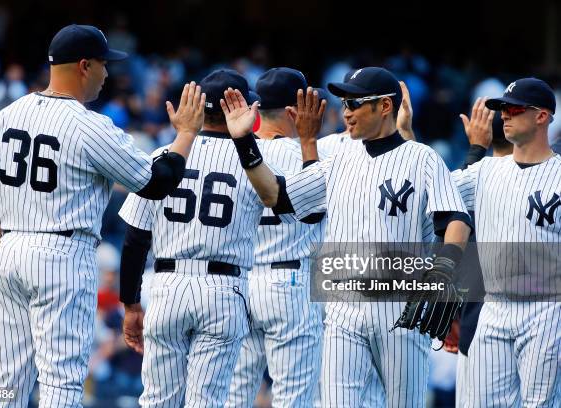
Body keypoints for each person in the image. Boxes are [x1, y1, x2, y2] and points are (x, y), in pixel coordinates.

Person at [0, 24, 204, 407]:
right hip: (61, 256)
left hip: (10, 250)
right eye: (102, 64)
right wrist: (185, 135)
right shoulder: (89, 126)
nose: (107, 73)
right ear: (83, 66)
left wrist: (13, 244)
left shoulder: (6, 115)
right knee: (61, 384)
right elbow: (155, 182)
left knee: (10, 380)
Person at [220, 66, 472, 407]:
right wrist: (244, 143)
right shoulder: (339, 158)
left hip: (400, 303)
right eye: (344, 103)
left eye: (354, 103)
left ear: (384, 106)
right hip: (343, 307)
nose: (345, 112)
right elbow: (275, 195)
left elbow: (455, 219)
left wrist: (445, 271)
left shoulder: (422, 158)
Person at [117, 68, 319, 407]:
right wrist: (309, 142)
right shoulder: (257, 159)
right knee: (208, 401)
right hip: (224, 289)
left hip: (167, 286)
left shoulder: (164, 156)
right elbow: (294, 202)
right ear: (241, 108)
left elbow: (135, 239)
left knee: (156, 400)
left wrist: (131, 303)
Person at [452, 77, 561, 407]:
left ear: (542, 116)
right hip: (494, 307)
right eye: (502, 109)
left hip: (546, 308)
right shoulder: (485, 170)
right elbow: (430, 194)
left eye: (513, 108)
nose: (505, 116)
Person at [226, 67, 326, 407]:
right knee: (294, 398)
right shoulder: (311, 156)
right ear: (295, 111)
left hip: (239, 282)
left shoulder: (233, 155)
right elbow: (313, 211)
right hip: (289, 282)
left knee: (233, 395)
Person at [442, 100, 512, 407]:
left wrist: (475, 149)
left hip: (476, 321)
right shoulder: (549, 175)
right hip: (536, 321)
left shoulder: (470, 182)